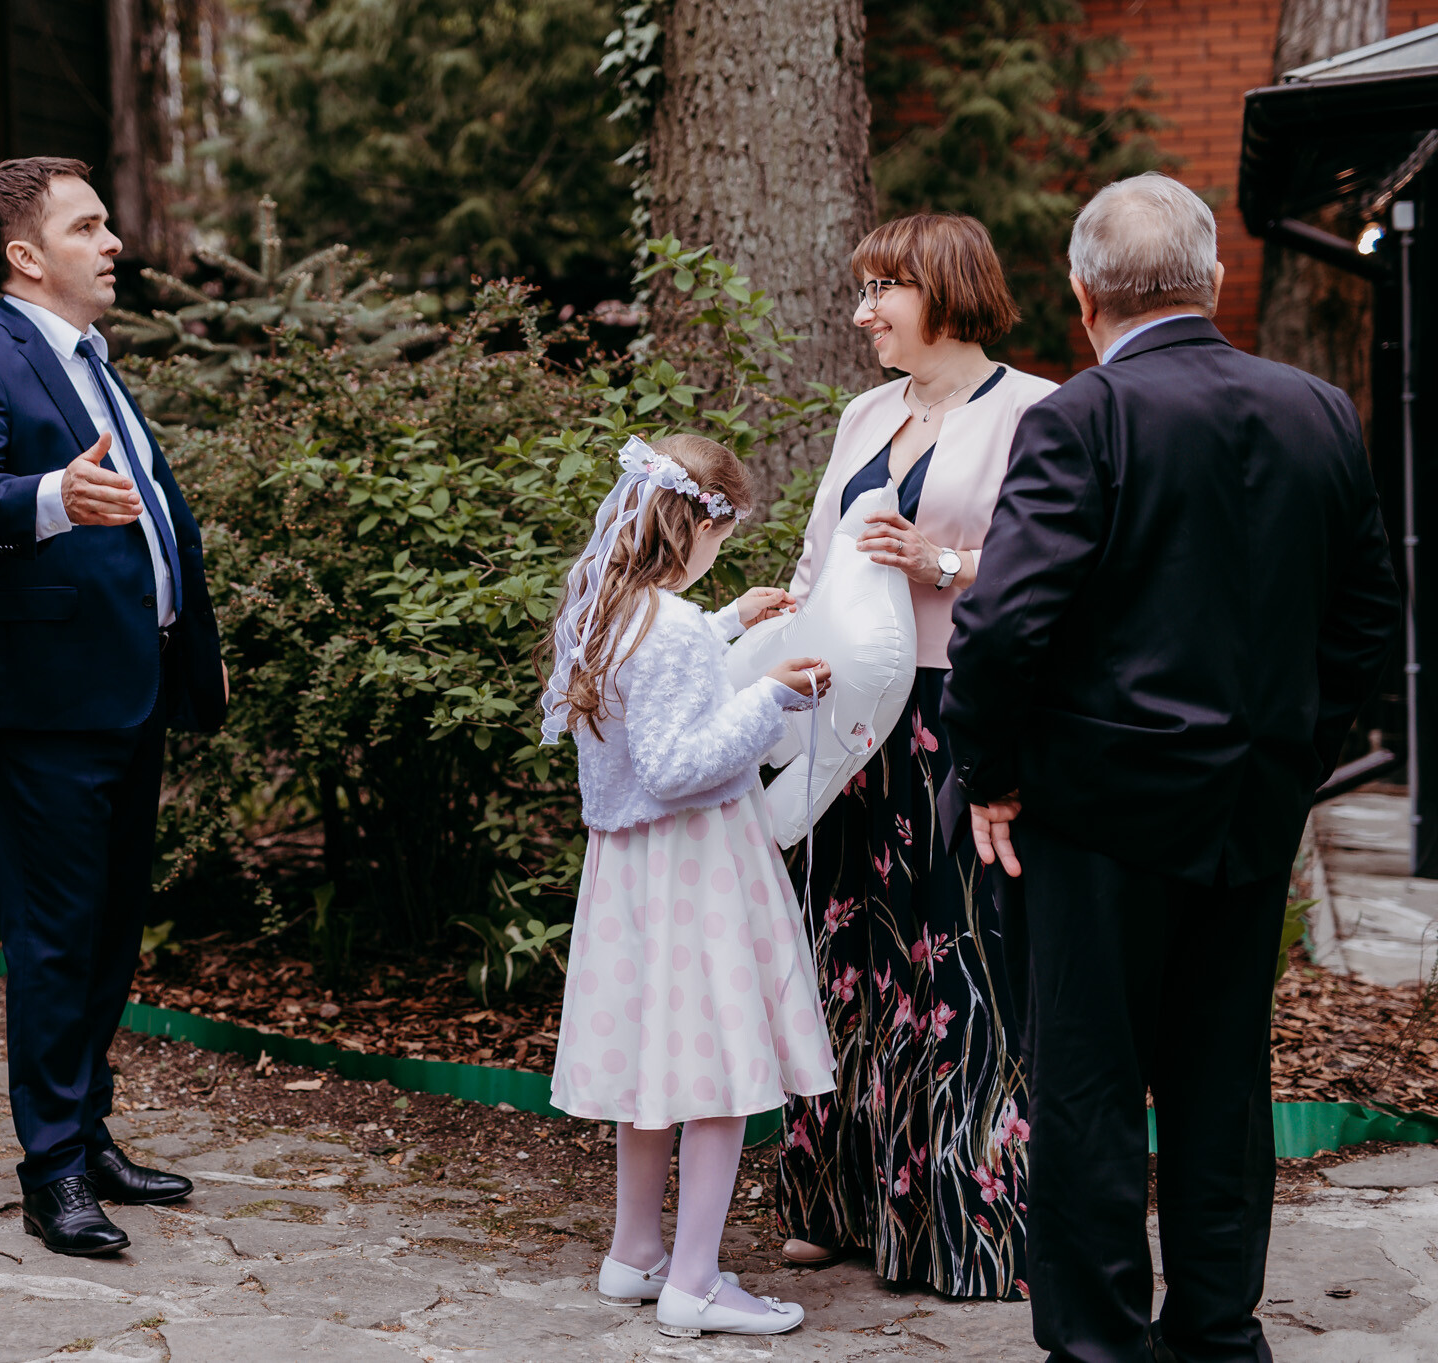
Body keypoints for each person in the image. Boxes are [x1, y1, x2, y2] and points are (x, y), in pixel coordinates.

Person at [942, 173, 1398, 1362]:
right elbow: (1366, 616)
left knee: (1087, 1086)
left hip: (1093, 817)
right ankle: (1215, 1335)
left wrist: (986, 770)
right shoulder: (1317, 410)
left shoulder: (1080, 417)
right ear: (1214, 281)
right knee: (1220, 1084)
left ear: (1081, 292)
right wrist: (1290, 754)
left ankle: (1100, 1345)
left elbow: (1001, 625)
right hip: (1247, 811)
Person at [0, 157, 229, 1258]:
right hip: (44, 705)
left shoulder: (93, 363)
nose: (113, 243)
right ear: (25, 255)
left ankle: (87, 1134)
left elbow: (152, 517)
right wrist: (53, 493)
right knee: (52, 943)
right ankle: (50, 1168)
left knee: (107, 934)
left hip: (128, 691)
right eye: (87, 227)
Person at [773, 213, 1056, 1300]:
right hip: (849, 717)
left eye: (882, 289)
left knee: (956, 958)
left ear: (944, 290)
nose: (863, 313)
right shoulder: (863, 413)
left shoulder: (1034, 411)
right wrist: (783, 630)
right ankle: (834, 1200)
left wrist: (941, 561)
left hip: (955, 712)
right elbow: (818, 555)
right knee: (842, 946)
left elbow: (1058, 565)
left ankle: (964, 1223)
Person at [539, 432, 838, 1339]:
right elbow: (675, 764)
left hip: (631, 876)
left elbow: (659, 674)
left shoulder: (611, 607)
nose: (722, 551)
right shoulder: (665, 626)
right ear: (701, 525)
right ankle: (697, 1282)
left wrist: (732, 622)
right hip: (693, 868)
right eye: (724, 535)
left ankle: (636, 1251)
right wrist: (771, 696)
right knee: (716, 1070)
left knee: (655, 1068)